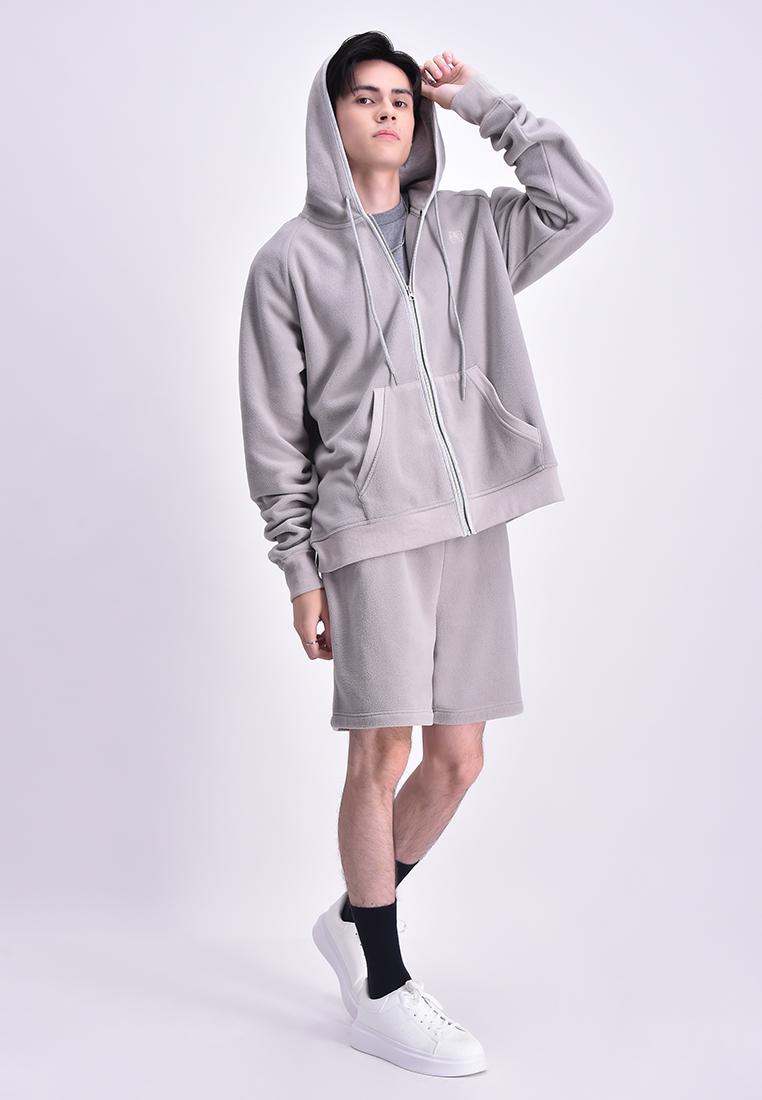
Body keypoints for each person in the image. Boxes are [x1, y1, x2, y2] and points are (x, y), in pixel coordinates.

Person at [238, 31, 613, 1076]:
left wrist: (486, 102)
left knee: (459, 759)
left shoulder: (474, 230)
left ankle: (356, 916)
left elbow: (583, 204)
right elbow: (274, 431)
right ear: (331, 119)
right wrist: (300, 569)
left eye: (401, 98)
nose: (388, 112)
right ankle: (380, 982)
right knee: (382, 753)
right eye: (365, 98)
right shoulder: (288, 263)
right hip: (369, 531)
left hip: (474, 517)